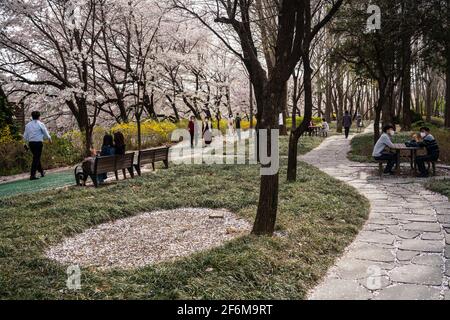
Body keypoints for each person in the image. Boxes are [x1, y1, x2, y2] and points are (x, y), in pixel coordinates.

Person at [23, 111, 52, 180]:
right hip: (38, 143)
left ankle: (41, 172)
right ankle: (32, 175)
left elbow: (25, 136)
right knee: (36, 158)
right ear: (39, 116)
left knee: (36, 157)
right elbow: (45, 132)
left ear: (32, 117)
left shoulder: (28, 125)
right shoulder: (40, 124)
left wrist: (24, 144)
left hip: (31, 144)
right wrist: (49, 138)